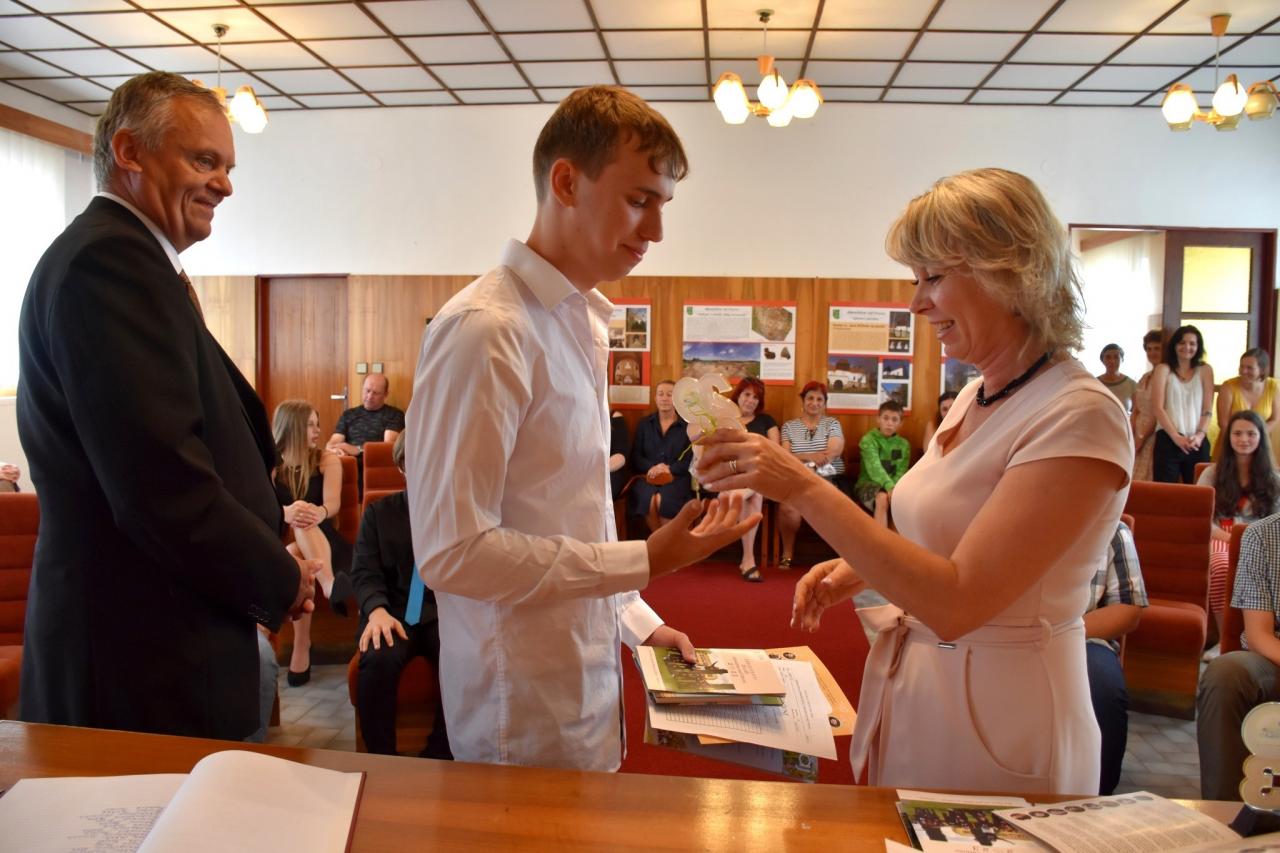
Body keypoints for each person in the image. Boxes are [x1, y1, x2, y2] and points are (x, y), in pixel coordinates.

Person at [697, 168, 1132, 794]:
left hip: (1007, 715)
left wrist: (801, 487)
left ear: (1009, 273)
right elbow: (948, 530)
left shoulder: (1080, 415)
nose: (916, 303)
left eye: (934, 278)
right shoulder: (978, 395)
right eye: (915, 280)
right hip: (929, 692)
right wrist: (859, 568)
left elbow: (960, 601)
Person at [404, 85, 758, 772]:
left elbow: (573, 515)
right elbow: (453, 552)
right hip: (519, 706)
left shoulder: (580, 322)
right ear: (566, 182)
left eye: (663, 205)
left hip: (586, 677)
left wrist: (640, 622)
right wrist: (646, 559)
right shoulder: (487, 329)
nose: (656, 231)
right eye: (640, 200)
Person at [16, 72, 312, 739]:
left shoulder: (136, 264)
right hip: (137, 664)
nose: (225, 185)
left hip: (164, 648)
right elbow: (163, 486)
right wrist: (280, 576)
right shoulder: (107, 264)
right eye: (204, 160)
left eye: (227, 167)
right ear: (130, 152)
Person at [351, 433, 451, 759]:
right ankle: (383, 760)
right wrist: (376, 611)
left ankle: (440, 756)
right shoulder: (378, 514)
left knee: (462, 657)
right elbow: (364, 573)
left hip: (442, 611)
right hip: (391, 610)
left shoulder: (456, 513)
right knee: (378, 657)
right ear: (402, 466)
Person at [1197, 510, 1280, 800]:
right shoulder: (1263, 535)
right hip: (1274, 657)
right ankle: (1224, 814)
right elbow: (1259, 635)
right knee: (1226, 674)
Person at [273, 400, 355, 685]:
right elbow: (262, 505)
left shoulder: (325, 459)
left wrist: (317, 511)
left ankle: (301, 645)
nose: (318, 430)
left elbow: (332, 504)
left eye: (317, 424)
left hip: (325, 542)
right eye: (311, 425)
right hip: (282, 540)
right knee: (293, 541)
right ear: (293, 427)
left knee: (299, 534)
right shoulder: (271, 463)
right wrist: (287, 512)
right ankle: (329, 586)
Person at [1197, 410, 1280, 658]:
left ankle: (1262, 637)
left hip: (1260, 542)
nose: (1244, 439)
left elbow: (1275, 524)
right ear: (1228, 437)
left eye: (1251, 434)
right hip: (1220, 537)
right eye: (1238, 433)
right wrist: (1231, 538)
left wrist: (1250, 539)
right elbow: (1200, 518)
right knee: (1222, 565)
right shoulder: (1211, 474)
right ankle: (1225, 639)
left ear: (1261, 437)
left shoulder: (1274, 479)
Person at [1085, 521, 1148, 795]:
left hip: (1082, 638)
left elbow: (1128, 609)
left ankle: (1098, 794)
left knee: (1103, 688)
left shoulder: (1112, 529)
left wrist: (1058, 633)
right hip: (1003, 638)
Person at [776, 381, 845, 570]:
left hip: (827, 478)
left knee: (834, 506)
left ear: (824, 403)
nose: (814, 403)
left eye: (819, 399)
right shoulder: (789, 427)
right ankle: (787, 554)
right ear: (803, 401)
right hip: (797, 478)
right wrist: (811, 456)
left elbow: (833, 451)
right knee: (787, 508)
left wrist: (806, 461)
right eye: (810, 398)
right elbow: (785, 456)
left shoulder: (832, 424)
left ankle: (841, 558)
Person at [728, 377, 779, 582]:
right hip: (730, 475)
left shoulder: (767, 421)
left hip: (760, 474)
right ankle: (748, 560)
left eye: (756, 397)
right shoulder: (726, 420)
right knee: (755, 495)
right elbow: (719, 453)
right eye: (747, 395)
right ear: (738, 396)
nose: (750, 400)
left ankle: (747, 558)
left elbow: (774, 454)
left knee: (755, 488)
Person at [1150, 324, 1214, 484]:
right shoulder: (1163, 369)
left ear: (1198, 347)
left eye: (1192, 343)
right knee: (1165, 492)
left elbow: (1207, 409)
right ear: (1175, 345)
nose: (1187, 347)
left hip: (1197, 440)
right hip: (1168, 438)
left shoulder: (1205, 370)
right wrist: (1176, 437)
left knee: (1199, 489)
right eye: (1182, 343)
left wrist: (1200, 435)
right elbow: (1157, 407)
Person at [630, 380, 695, 532]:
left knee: (660, 502)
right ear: (655, 398)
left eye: (669, 394)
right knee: (649, 500)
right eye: (661, 394)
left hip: (677, 477)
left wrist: (668, 469)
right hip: (648, 476)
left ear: (677, 399)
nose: (664, 398)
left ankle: (665, 542)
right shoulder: (644, 424)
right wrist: (653, 468)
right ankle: (662, 542)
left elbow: (690, 459)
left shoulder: (687, 427)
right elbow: (636, 456)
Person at [1215, 348, 1280, 458]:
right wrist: (1239, 442)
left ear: (1262, 370)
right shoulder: (1228, 386)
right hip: (1230, 445)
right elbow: (1223, 423)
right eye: (1241, 366)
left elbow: (1275, 419)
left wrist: (1256, 437)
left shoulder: (1273, 387)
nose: (1243, 371)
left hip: (1260, 446)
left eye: (1250, 368)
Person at [327, 373, 405, 465]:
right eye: (367, 390)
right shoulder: (348, 414)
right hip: (348, 463)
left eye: (376, 393)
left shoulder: (394, 415)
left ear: (385, 394)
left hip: (375, 466)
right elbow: (332, 444)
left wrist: (359, 450)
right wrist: (336, 450)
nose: (370, 396)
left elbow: (387, 448)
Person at [855, 400, 911, 528]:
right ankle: (880, 539)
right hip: (867, 485)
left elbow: (901, 471)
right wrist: (890, 488)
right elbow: (875, 469)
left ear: (900, 423)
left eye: (894, 419)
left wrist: (894, 490)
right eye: (885, 418)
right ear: (878, 419)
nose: (889, 423)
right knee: (882, 498)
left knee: (905, 500)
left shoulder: (904, 445)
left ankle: (899, 540)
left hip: (895, 486)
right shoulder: (868, 440)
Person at [1129, 330, 1164, 482]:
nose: (1152, 352)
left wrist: (1142, 438)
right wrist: (1131, 433)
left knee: (1148, 477)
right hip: (1138, 431)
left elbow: (1157, 412)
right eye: (1149, 349)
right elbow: (1136, 408)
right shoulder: (1145, 377)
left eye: (1157, 348)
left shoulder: (1166, 376)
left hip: (1153, 434)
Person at [1096, 343, 1137, 413]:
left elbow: (1137, 413)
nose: (1112, 361)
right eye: (1108, 357)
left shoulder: (1132, 385)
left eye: (1116, 357)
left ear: (1122, 360)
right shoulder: (1094, 383)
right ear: (1102, 360)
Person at [609, 411, 630, 502]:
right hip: (583, 471)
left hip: (611, 470)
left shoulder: (614, 416)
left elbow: (621, 454)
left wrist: (598, 470)